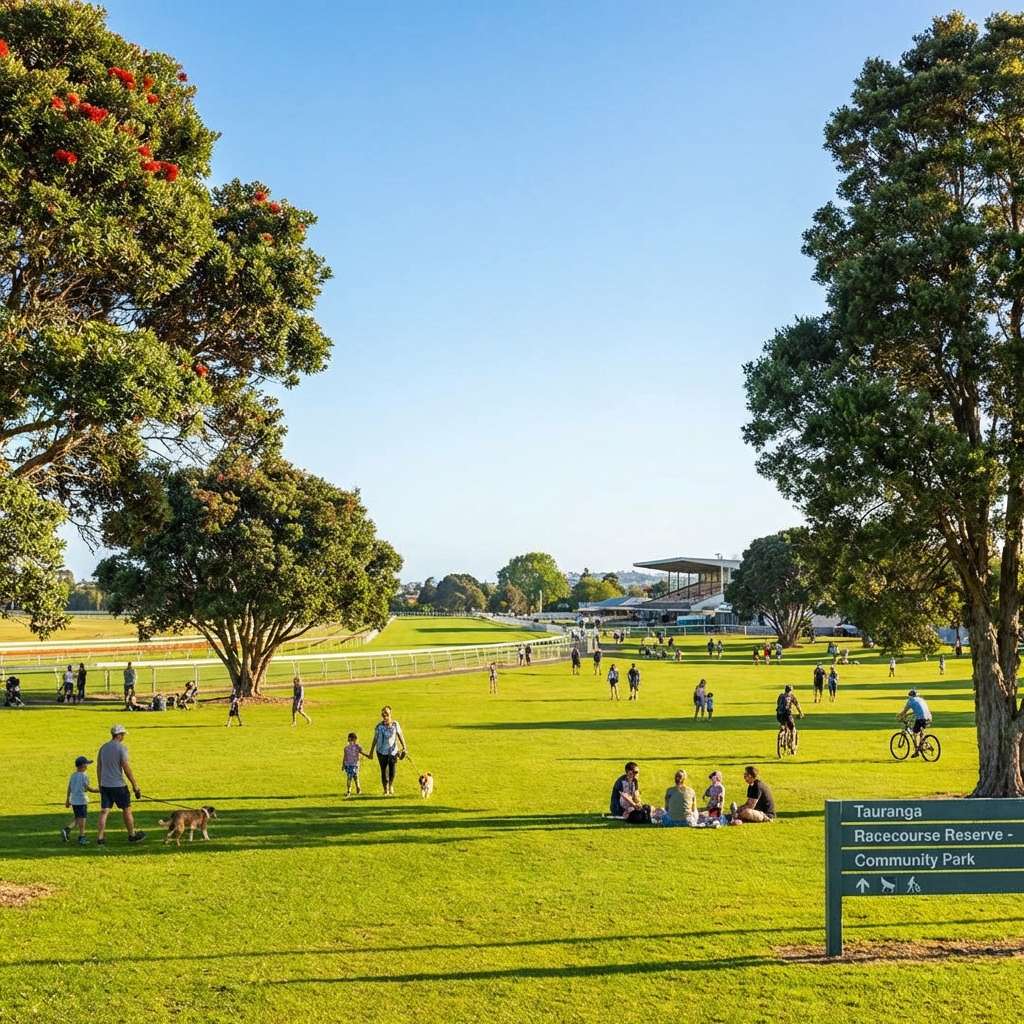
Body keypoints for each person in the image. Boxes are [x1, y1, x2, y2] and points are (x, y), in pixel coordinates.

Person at [95, 724, 145, 845]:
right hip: (118, 785)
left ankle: (100, 838)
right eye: (122, 734)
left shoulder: (103, 748)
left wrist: (100, 783)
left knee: (104, 811)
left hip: (105, 785)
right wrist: (135, 785)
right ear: (118, 735)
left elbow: (99, 767)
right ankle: (131, 834)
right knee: (126, 809)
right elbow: (126, 768)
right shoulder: (121, 748)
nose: (123, 737)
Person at [370, 705, 407, 795]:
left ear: (390, 713)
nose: (384, 714)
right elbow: (375, 739)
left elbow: (400, 735)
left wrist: (404, 747)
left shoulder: (395, 724)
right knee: (384, 770)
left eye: (386, 712)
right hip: (381, 751)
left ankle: (390, 785)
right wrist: (371, 752)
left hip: (393, 751)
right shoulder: (379, 726)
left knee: (392, 769)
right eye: (383, 712)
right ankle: (385, 789)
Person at [62, 755, 99, 845]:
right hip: (81, 800)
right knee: (82, 818)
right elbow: (87, 788)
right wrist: (97, 790)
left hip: (74, 800)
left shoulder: (73, 776)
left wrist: (67, 800)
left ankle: (67, 830)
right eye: (86, 765)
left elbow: (69, 788)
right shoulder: (84, 776)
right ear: (83, 766)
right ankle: (81, 836)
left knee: (77, 817)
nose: (87, 767)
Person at [898, 688, 933, 756]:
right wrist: (909, 714)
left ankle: (917, 751)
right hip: (928, 717)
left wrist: (899, 716)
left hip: (920, 719)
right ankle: (923, 745)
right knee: (920, 732)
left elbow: (904, 711)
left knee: (915, 733)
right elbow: (919, 710)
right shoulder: (921, 699)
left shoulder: (910, 701)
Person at [343, 732, 369, 797]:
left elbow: (362, 752)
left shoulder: (355, 747)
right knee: (352, 778)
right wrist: (368, 755)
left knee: (353, 778)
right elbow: (345, 756)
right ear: (354, 739)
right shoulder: (349, 748)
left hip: (352, 765)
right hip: (351, 765)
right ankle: (352, 789)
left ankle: (356, 788)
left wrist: (343, 764)